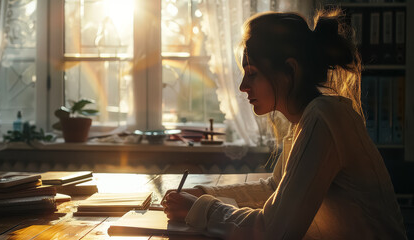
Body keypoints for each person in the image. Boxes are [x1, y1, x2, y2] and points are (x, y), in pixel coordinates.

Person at [162, 9, 407, 240]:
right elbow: (275, 188)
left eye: (253, 73)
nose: (242, 86)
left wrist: (201, 209)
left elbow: (274, 231)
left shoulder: (323, 118)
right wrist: (204, 195)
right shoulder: (308, 118)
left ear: (290, 70)